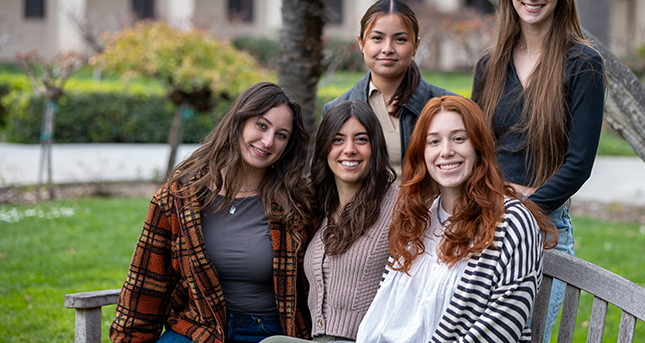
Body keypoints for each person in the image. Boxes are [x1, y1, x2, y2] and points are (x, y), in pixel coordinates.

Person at [471, 0, 606, 340]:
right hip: (487, 222)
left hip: (545, 231)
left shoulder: (583, 64)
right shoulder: (489, 64)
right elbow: (475, 148)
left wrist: (526, 209)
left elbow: (579, 162)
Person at [110, 82, 314, 343]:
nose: (268, 141)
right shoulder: (178, 199)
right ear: (239, 122)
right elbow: (146, 284)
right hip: (199, 329)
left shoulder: (299, 203)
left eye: (281, 135)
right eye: (261, 125)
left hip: (268, 333)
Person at [356, 96, 555, 343]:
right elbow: (386, 310)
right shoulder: (421, 219)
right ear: (422, 153)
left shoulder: (512, 223)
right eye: (434, 141)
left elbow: (501, 330)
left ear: (478, 147)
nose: (446, 151)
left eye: (459, 138)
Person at [263, 100, 399, 343]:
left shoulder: (398, 205)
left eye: (361, 139)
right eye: (337, 140)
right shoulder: (317, 207)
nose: (349, 149)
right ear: (324, 148)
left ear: (375, 147)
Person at [321, 0, 455, 174]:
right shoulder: (335, 109)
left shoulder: (449, 107)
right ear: (361, 43)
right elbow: (321, 177)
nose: (387, 49)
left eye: (400, 40)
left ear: (416, 46)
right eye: (377, 38)